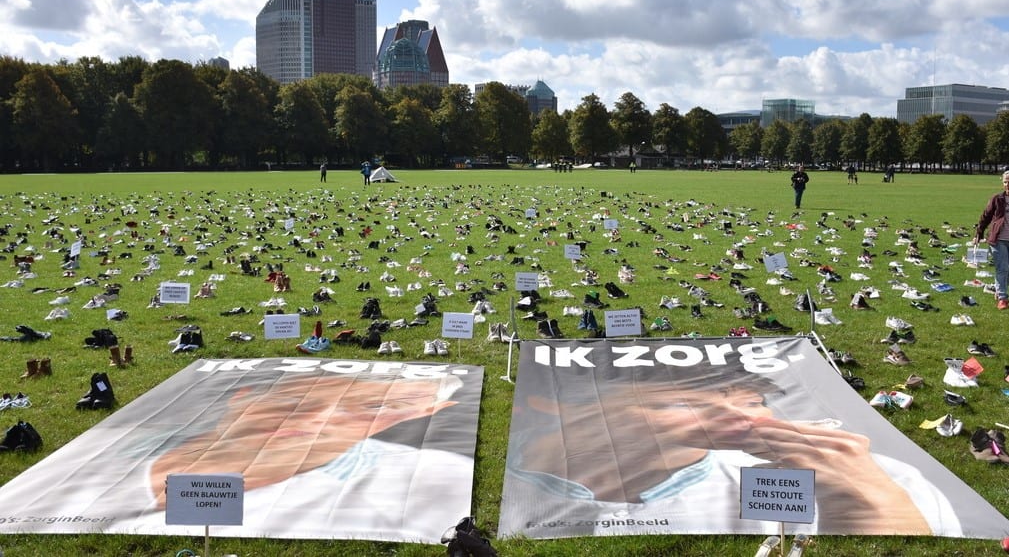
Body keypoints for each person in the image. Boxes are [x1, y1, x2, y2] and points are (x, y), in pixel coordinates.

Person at [499, 339, 970, 539]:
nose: (736, 418)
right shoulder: (497, 478)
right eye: (678, 402)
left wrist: (872, 506)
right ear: (557, 403)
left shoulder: (863, 474)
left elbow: (908, 535)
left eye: (749, 401)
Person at [0, 360, 480, 543]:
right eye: (300, 403)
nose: (321, 421)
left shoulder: (409, 481)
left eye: (378, 411)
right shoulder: (104, 458)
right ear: (245, 395)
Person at [973, 169, 1009, 310]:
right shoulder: (997, 199)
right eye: (1006, 182)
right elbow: (985, 216)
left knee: (1006, 268)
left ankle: (999, 290)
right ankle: (1002, 298)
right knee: (1002, 268)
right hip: (998, 239)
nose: (1008, 184)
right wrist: (979, 234)